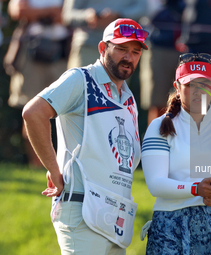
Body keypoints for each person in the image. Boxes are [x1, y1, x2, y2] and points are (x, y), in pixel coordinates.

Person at [22, 18, 149, 254]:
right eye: (121, 48)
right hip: (81, 211)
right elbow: (33, 113)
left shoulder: (128, 98)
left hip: (114, 216)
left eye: (135, 51)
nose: (129, 58)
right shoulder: (81, 80)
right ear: (103, 48)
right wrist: (53, 168)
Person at [141, 53, 211, 254]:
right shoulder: (158, 126)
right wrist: (196, 189)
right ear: (177, 86)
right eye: (191, 85)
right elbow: (156, 184)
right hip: (171, 226)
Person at [4, 0, 71, 167]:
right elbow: (17, 11)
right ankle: (37, 165)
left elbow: (72, 15)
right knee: (31, 111)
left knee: (69, 113)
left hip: (63, 53)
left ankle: (66, 165)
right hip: (31, 50)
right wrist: (53, 12)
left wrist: (38, 14)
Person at [62, 0, 147, 69]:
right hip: (87, 47)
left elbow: (143, 9)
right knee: (81, 88)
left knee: (115, 89)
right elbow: (67, 15)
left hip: (121, 49)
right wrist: (86, 16)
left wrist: (118, 16)